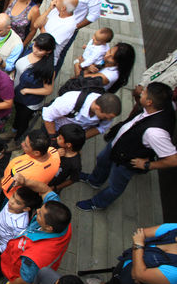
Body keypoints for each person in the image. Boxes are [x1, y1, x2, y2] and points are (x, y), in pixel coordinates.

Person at [78, 82, 177, 211]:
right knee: (102, 159)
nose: (142, 92)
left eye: (144, 93)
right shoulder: (166, 106)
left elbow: (173, 159)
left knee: (115, 186)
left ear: (149, 102)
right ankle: (94, 180)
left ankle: (98, 203)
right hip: (118, 144)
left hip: (127, 160)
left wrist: (148, 165)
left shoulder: (155, 133)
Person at [0, 174, 72, 284]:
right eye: (41, 208)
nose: (37, 210)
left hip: (14, 277)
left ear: (49, 227)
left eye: (39, 214)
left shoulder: (35, 256)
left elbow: (25, 282)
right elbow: (45, 190)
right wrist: (25, 181)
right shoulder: (58, 218)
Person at [86, 223, 177, 284]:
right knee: (117, 275)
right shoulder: (174, 229)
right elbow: (140, 234)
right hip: (128, 262)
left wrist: (138, 245)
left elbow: (139, 274)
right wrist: (138, 270)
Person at [51, 0, 103, 68]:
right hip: (53, 19)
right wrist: (51, 10)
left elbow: (93, 16)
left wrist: (75, 27)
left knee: (59, 53)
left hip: (69, 26)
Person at [4, 33, 56, 145]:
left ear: (48, 51)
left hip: (29, 101)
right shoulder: (29, 51)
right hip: (17, 92)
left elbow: (48, 90)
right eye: (36, 45)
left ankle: (17, 140)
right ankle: (13, 131)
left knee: (24, 120)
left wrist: (28, 91)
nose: (36, 50)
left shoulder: (47, 69)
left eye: (41, 49)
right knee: (17, 113)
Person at [0, 186, 42, 279]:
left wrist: (2, 248)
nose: (12, 201)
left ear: (26, 209)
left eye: (17, 202)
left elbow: (15, 240)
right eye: (13, 196)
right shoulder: (11, 205)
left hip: (3, 245)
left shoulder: (20, 224)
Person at [0, 130, 61, 199]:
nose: (22, 144)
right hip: (30, 195)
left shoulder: (20, 171)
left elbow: (4, 186)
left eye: (26, 145)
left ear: (36, 153)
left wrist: (2, 181)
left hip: (12, 197)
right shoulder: (54, 153)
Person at [42, 91, 122, 140]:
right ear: (97, 108)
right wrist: (53, 138)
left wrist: (77, 140)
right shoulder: (69, 102)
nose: (108, 121)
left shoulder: (108, 113)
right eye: (105, 118)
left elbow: (101, 128)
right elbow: (48, 116)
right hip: (54, 130)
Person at [34, 0, 79, 71]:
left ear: (63, 8)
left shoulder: (69, 25)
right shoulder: (55, 11)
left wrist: (42, 27)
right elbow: (36, 24)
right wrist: (49, 9)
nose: (55, 1)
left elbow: (47, 41)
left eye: (58, 0)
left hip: (46, 59)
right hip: (37, 47)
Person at [47, 123, 85, 193]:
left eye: (60, 138)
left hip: (51, 185)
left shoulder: (75, 164)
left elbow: (73, 179)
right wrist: (54, 154)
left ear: (68, 144)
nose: (57, 138)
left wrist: (56, 187)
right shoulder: (56, 144)